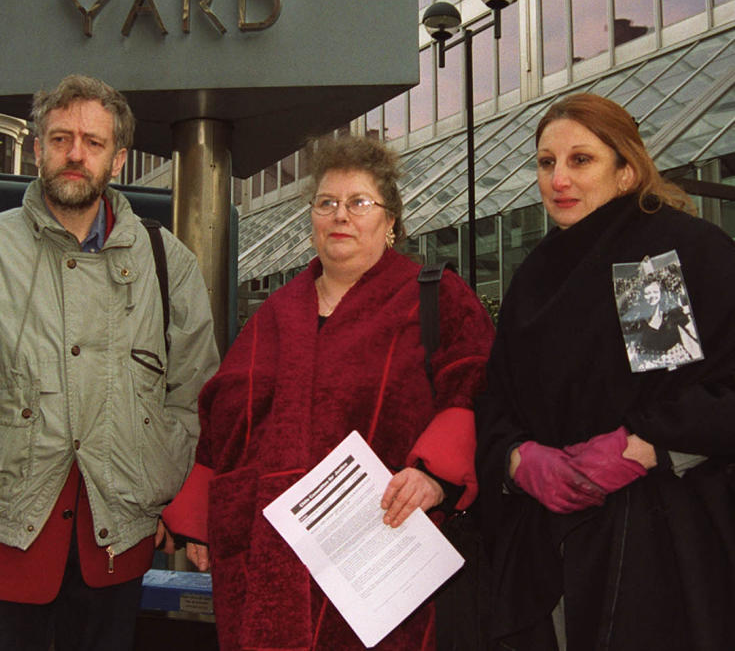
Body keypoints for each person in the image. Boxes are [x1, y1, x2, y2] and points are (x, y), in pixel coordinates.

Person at [0, 75, 220, 651]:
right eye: (60, 138)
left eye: (93, 141)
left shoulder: (169, 263)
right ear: (37, 149)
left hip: (119, 540)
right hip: (7, 537)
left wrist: (173, 497)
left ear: (118, 158)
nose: (75, 154)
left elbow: (195, 397)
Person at [163, 135, 495, 650]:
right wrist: (196, 520)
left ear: (390, 224)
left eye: (359, 203)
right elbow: (224, 412)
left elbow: (474, 381)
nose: (341, 215)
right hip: (273, 553)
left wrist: (436, 475)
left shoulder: (436, 295)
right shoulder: (276, 312)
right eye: (327, 203)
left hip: (383, 547)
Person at [475, 93, 735, 651]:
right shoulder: (536, 275)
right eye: (546, 163)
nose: (558, 179)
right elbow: (496, 400)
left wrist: (644, 446)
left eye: (581, 160)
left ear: (626, 171)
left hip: (661, 545)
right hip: (548, 547)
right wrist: (519, 459)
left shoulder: (657, 255)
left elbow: (707, 392)